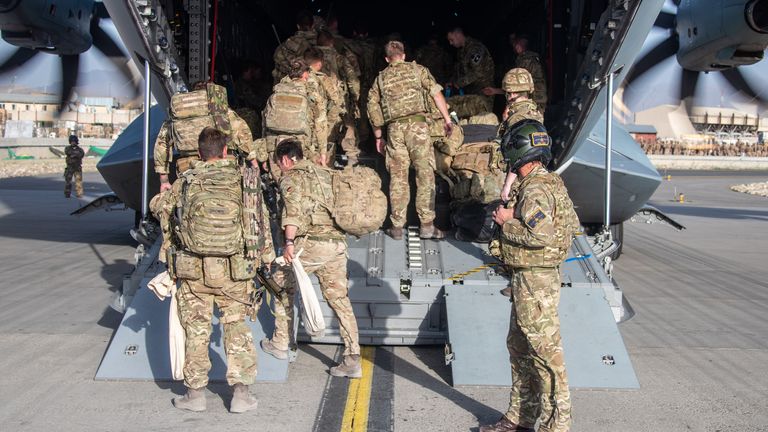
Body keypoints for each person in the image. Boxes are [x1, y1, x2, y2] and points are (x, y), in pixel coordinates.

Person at [154, 127, 275, 414]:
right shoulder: (244, 179)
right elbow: (260, 220)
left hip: (193, 270)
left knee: (196, 331)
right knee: (236, 328)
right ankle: (241, 395)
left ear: (199, 153)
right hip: (235, 270)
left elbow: (166, 216)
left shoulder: (185, 180)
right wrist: (267, 257)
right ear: (225, 151)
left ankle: (195, 396)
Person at [481, 120, 579, 432]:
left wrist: (507, 219)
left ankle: (556, 425)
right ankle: (519, 417)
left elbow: (543, 235)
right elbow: (571, 223)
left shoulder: (535, 189)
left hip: (535, 282)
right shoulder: (551, 182)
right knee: (521, 348)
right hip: (531, 279)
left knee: (546, 355)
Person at [260, 138, 362, 378]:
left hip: (311, 244)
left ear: (285, 160)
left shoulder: (291, 178)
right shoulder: (325, 173)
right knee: (339, 299)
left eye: (279, 164)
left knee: (279, 283)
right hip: (336, 245)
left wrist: (288, 243)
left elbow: (292, 212)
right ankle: (352, 357)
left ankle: (281, 343)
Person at [367, 40, 453, 240]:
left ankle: (397, 227)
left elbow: (372, 107)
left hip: (395, 130)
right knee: (425, 174)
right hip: (418, 128)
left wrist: (378, 136)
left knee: (398, 178)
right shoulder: (418, 70)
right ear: (404, 55)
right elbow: (436, 94)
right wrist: (447, 119)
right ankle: (427, 226)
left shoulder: (381, 78)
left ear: (387, 59)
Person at [154, 81, 258, 192]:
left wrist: (164, 180)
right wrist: (254, 163)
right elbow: (242, 134)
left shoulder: (179, 116)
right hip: (222, 165)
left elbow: (162, 144)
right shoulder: (220, 111)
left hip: (188, 168)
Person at [262, 59, 329, 172]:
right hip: (300, 147)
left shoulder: (276, 93)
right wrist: (322, 153)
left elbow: (264, 124)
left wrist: (263, 154)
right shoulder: (312, 96)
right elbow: (321, 126)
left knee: (275, 181)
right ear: (305, 74)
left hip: (274, 145)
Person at [445, 27, 495, 117]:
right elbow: (459, 70)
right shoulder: (461, 51)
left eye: (451, 40)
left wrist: (459, 83)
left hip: (483, 92)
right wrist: (452, 82)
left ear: (458, 35)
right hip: (470, 92)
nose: (450, 43)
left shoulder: (475, 49)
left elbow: (478, 72)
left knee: (482, 120)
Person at [272, 10, 317, 83]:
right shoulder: (325, 41)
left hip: (292, 89)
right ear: (313, 25)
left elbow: (277, 75)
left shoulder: (285, 46)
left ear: (298, 26)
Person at [512, 35, 548, 113]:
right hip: (539, 95)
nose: (514, 47)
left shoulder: (525, 59)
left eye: (515, 44)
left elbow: (517, 82)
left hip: (535, 96)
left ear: (519, 46)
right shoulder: (532, 57)